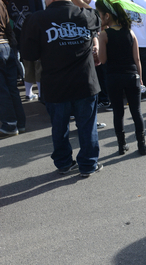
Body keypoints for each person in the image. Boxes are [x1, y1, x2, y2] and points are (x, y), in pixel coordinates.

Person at [21, 0, 102, 177]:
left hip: (55, 83)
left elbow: (29, 55)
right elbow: (98, 15)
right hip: (84, 81)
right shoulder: (86, 15)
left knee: (59, 127)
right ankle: (88, 164)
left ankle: (64, 163)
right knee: (87, 126)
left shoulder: (37, 19)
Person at [96, 0, 146, 155]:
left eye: (100, 15)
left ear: (107, 16)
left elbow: (102, 60)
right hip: (132, 75)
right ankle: (141, 145)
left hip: (114, 77)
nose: (99, 17)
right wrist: (140, 78)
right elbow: (137, 59)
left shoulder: (104, 35)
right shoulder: (130, 33)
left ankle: (122, 145)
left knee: (118, 112)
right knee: (136, 111)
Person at [0, 0, 26, 138]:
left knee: (2, 90)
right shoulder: (1, 4)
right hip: (6, 45)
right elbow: (8, 26)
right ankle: (20, 123)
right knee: (12, 88)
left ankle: (10, 124)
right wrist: (12, 44)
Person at [126, 0, 146, 94]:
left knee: (130, 66)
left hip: (129, 40)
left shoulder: (126, 2)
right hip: (144, 41)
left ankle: (130, 90)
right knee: (144, 67)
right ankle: (142, 89)